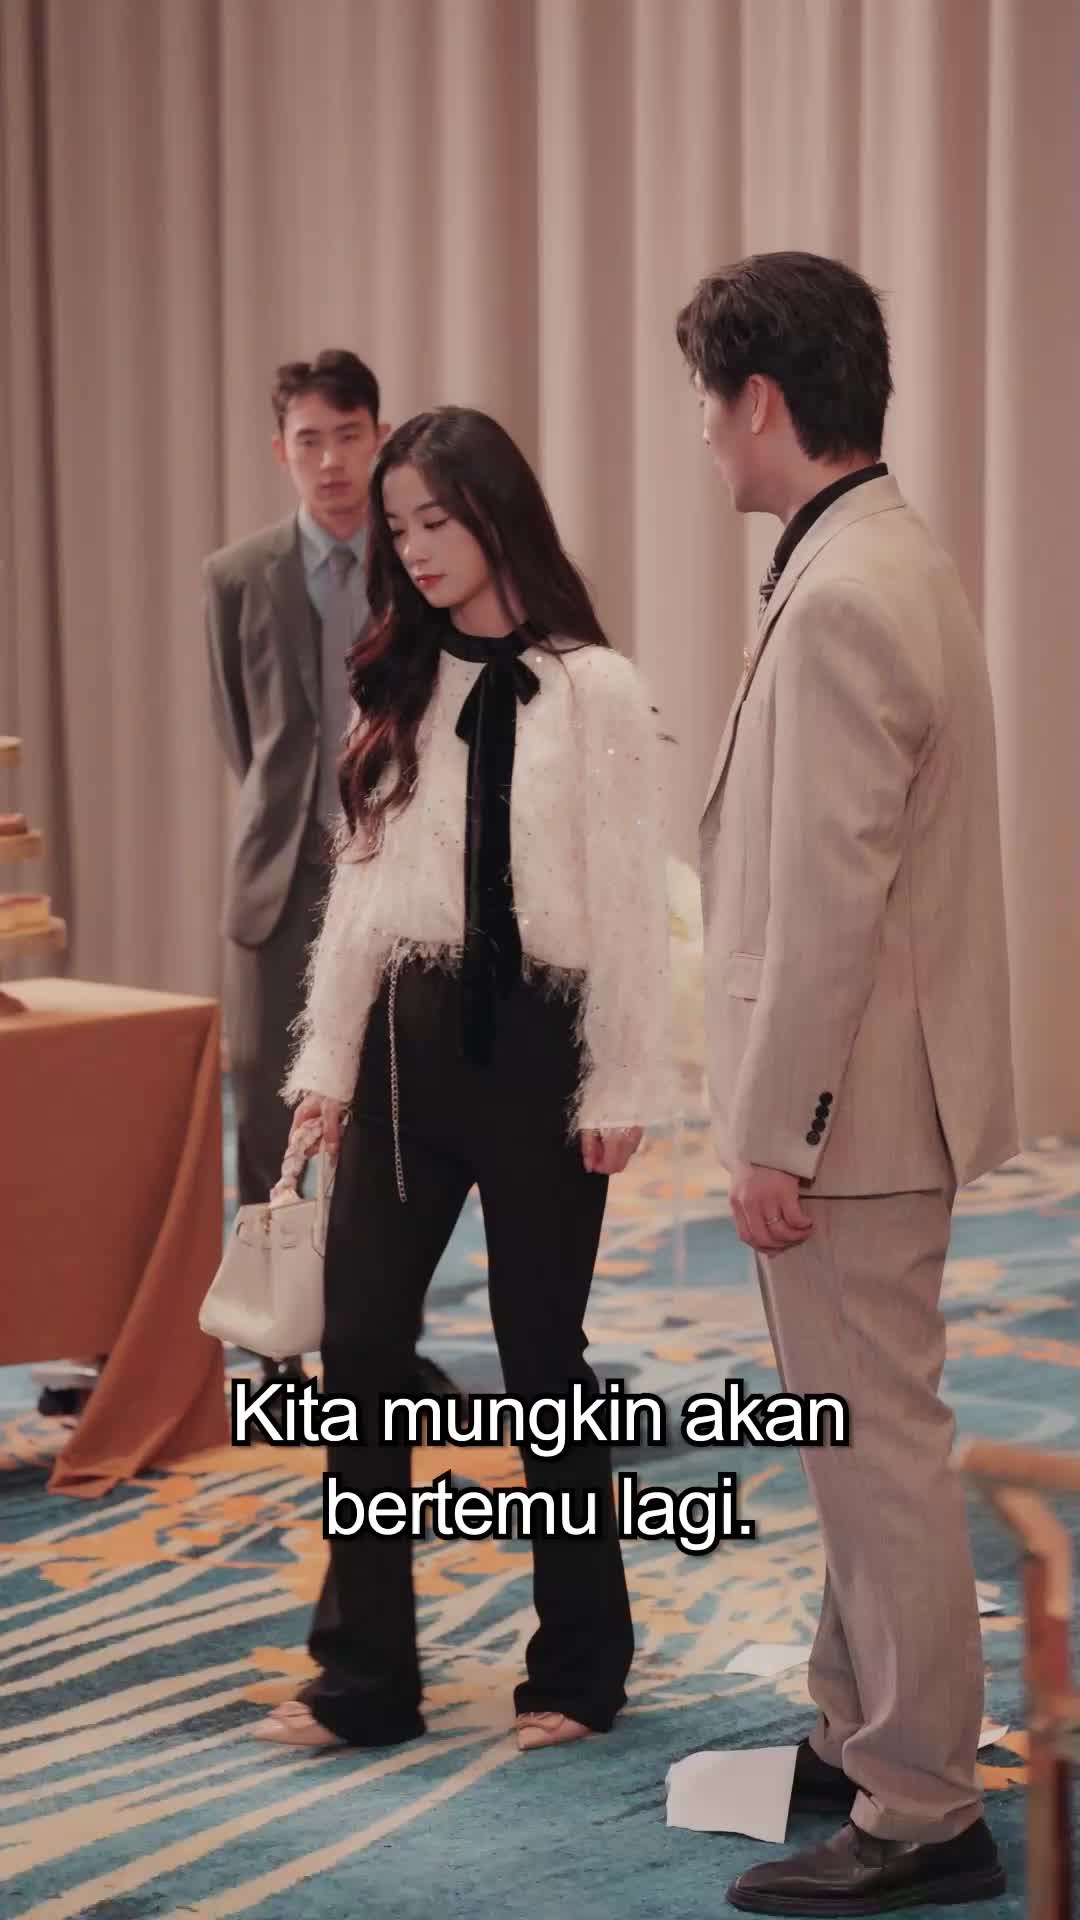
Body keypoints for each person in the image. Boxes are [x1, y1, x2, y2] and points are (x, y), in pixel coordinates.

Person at [250, 405, 674, 1753]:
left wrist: (623, 1079)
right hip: (406, 1041)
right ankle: (366, 1676)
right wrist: (326, 1061)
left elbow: (630, 901)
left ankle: (578, 1667)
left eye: (436, 519)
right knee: (361, 1341)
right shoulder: (400, 679)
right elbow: (361, 893)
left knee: (545, 1357)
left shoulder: (596, 688)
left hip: (544, 1047)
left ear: (497, 513)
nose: (417, 549)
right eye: (399, 528)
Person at [678, 253, 1017, 1914]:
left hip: (854, 1115)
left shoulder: (842, 594)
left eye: (707, 403)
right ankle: (860, 1718)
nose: (702, 437)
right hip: (889, 1095)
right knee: (855, 1438)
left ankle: (925, 1809)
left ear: (759, 401)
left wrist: (776, 1132)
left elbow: (828, 904)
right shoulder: (883, 551)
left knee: (879, 1453)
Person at [204, 350, 458, 1403]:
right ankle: (276, 1346)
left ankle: (375, 1343)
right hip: (282, 879)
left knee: (393, 1116)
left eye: (350, 436)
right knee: (271, 1113)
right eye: (309, 440)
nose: (331, 460)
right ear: (282, 451)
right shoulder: (237, 576)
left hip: (400, 872)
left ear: (379, 438)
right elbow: (243, 732)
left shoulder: (418, 559)